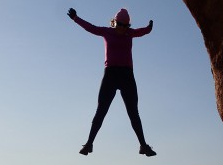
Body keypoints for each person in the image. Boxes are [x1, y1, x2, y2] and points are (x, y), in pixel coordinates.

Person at [67, 8, 156, 157]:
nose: (122, 28)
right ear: (115, 22)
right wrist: (76, 18)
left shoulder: (130, 33)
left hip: (127, 76)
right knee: (101, 111)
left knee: (133, 113)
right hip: (111, 75)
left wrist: (149, 28)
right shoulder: (106, 32)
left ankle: (143, 146)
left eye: (125, 25)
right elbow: (91, 28)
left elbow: (142, 32)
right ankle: (89, 144)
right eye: (120, 24)